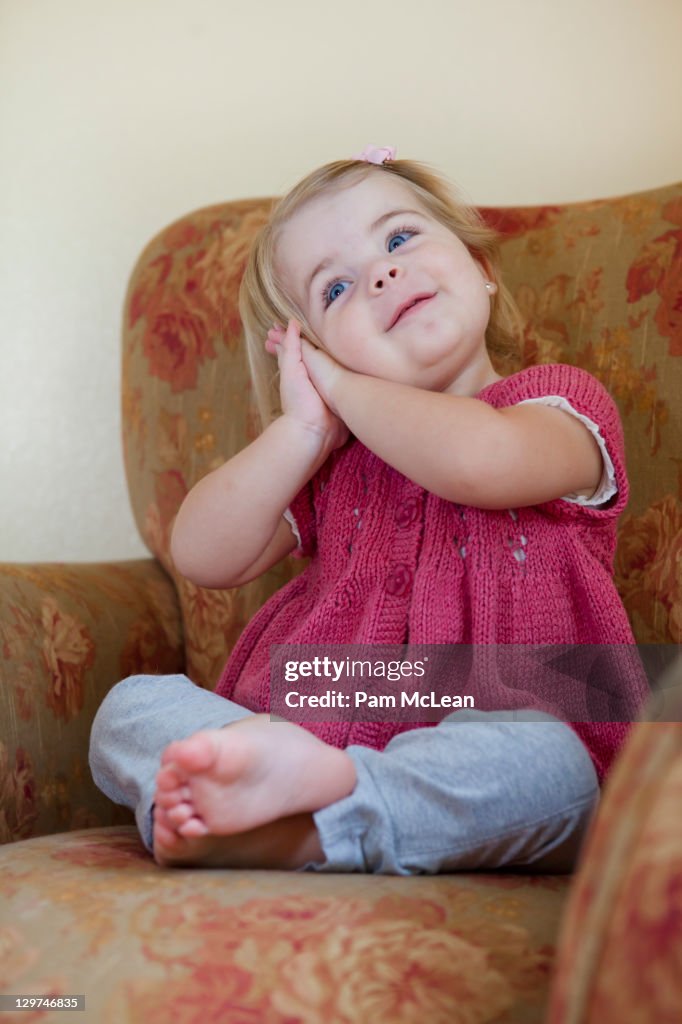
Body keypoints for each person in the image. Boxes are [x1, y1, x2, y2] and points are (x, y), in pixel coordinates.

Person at [89, 145, 649, 875]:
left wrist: (345, 386)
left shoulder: (560, 407)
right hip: (307, 726)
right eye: (336, 289)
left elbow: (476, 462)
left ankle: (310, 812)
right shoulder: (335, 464)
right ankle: (286, 809)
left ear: (481, 271)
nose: (382, 272)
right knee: (130, 708)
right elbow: (201, 553)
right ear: (319, 355)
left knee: (549, 764)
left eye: (399, 238)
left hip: (487, 745)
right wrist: (304, 430)